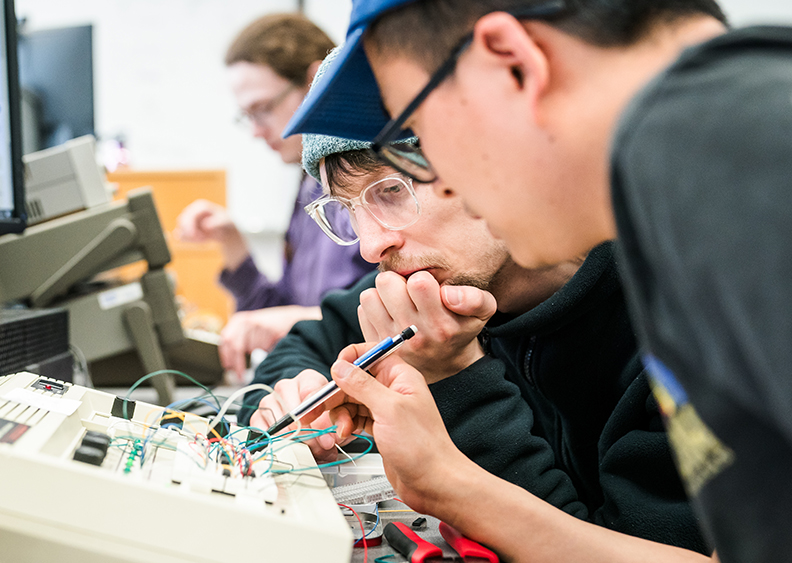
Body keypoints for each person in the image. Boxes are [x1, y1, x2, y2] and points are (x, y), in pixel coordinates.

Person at [285, 1, 791, 562]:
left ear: (512, 62)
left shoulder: (753, 167)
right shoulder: (693, 194)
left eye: (426, 138)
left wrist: (449, 481)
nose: (455, 185)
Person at [240, 102, 709, 557]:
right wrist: (290, 392)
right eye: (347, 211)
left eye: (391, 191)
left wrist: (455, 378)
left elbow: (610, 545)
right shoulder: (434, 278)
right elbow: (306, 342)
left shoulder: (687, 324)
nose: (371, 245)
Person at [175, 14, 375, 380]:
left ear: (316, 81)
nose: (255, 131)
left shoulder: (374, 180)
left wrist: (293, 319)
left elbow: (392, 321)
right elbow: (282, 316)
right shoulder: (310, 185)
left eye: (263, 109)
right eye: (247, 116)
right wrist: (232, 244)